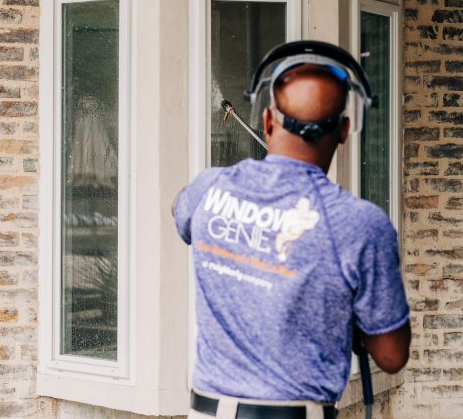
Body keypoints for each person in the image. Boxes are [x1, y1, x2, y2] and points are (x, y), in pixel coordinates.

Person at [173, 41, 410, 419]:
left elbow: (180, 212)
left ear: (266, 121)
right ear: (346, 130)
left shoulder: (209, 188)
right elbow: (391, 356)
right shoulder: (360, 226)